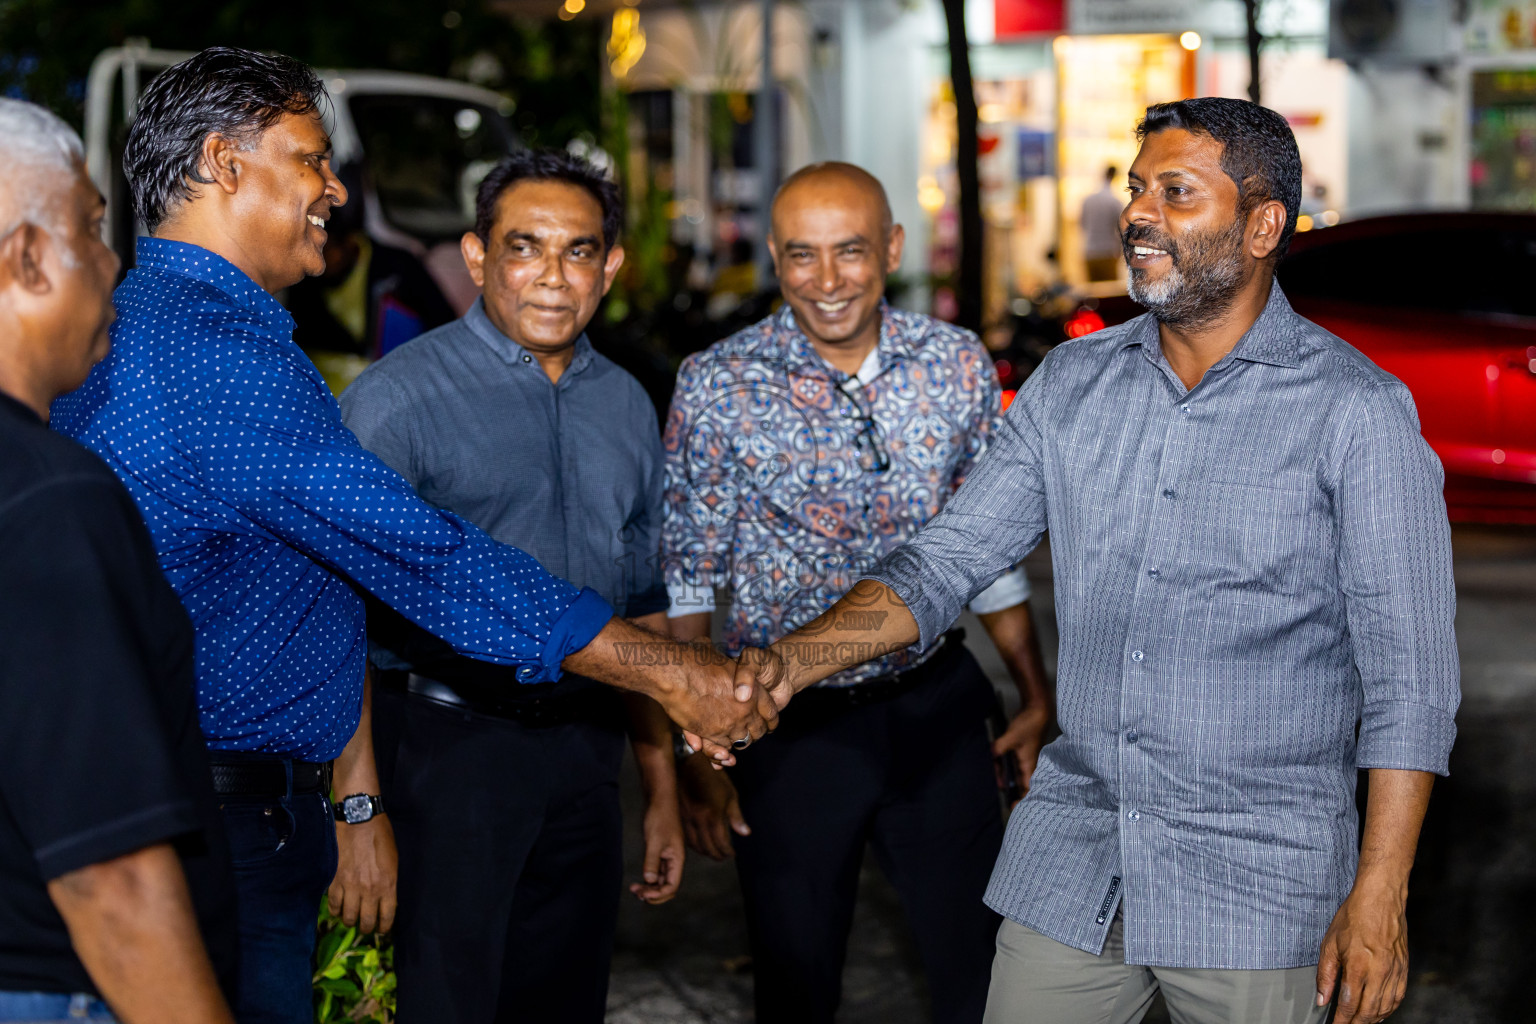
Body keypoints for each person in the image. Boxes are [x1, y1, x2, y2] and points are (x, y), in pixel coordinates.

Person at [49, 47, 775, 1024]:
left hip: (203, 802)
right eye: (311, 158)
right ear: (225, 163)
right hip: (219, 822)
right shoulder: (224, 363)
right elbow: (425, 558)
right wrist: (675, 673)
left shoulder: (153, 324)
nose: (334, 190)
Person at [737, 98, 1459, 1024]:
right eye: (1135, 188)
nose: (1138, 213)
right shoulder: (1070, 385)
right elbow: (948, 559)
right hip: (1078, 860)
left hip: (1261, 886)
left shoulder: (1356, 413)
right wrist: (786, 665)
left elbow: (1412, 685)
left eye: (1176, 192)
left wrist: (1382, 892)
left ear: (1262, 224)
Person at [664, 162, 1053, 1024]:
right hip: (790, 727)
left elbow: (985, 549)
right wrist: (698, 753)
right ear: (774, 256)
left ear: (892, 249)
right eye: (802, 255)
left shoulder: (954, 366)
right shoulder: (718, 382)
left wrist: (1033, 692)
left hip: (937, 710)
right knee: (796, 978)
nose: (828, 280)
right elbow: (689, 574)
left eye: (851, 251)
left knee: (983, 969)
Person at [338, 149, 684, 1023]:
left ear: (610, 266)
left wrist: (663, 795)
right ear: (478, 256)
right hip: (446, 754)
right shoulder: (396, 400)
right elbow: (336, 618)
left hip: (586, 754)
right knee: (442, 1004)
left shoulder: (629, 405)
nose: (553, 279)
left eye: (579, 251)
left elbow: (642, 609)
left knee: (564, 1003)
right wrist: (357, 810)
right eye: (525, 248)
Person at [0, 99, 236, 1024]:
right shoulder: (50, 497)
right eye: (95, 229)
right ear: (23, 258)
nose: (113, 263)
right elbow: (112, 877)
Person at [1081, 165, 1123, 283]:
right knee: (1109, 291)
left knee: (1093, 290)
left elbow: (1083, 225)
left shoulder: (1088, 200)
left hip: (1090, 251)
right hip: (1108, 252)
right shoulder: (1114, 201)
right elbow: (1121, 229)